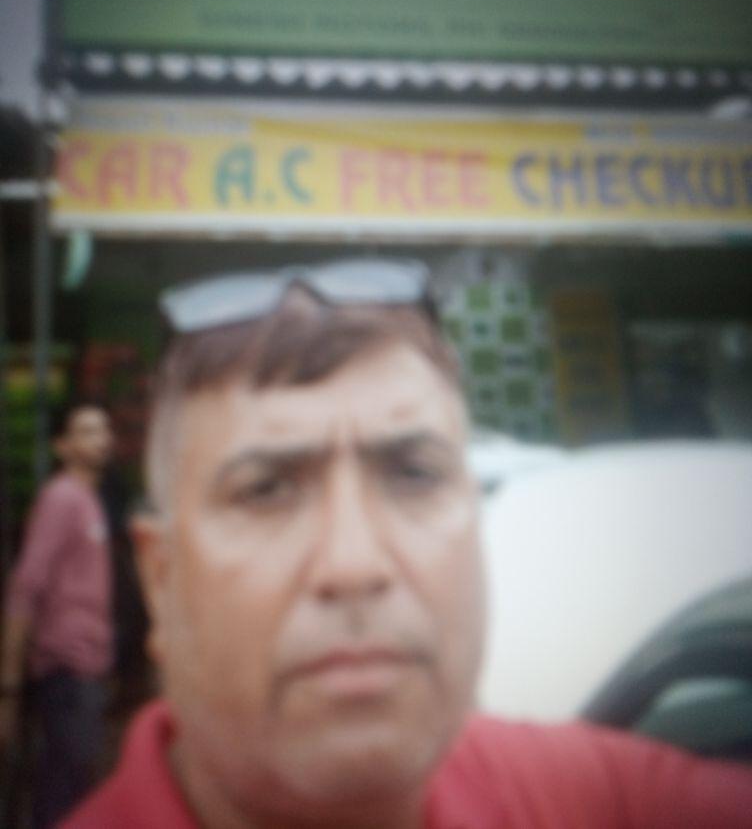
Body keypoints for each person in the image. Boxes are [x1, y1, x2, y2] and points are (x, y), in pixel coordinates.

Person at [61, 259, 752, 828]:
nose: (355, 563)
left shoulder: (581, 797)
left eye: (415, 474)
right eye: (266, 490)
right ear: (160, 579)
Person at [0, 401, 114, 829]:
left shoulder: (87, 498)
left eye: (102, 430)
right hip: (64, 668)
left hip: (86, 668)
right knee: (61, 796)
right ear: (62, 446)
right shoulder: (62, 497)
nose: (101, 440)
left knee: (73, 788)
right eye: (87, 431)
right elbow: (26, 585)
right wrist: (9, 685)